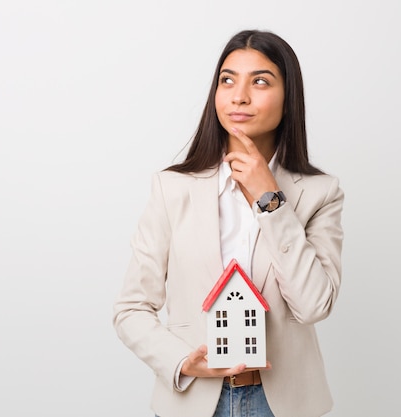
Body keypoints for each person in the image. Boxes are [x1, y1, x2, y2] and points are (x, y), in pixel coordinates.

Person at [113, 29, 344, 417]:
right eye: (227, 80)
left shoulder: (320, 192)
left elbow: (314, 305)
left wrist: (270, 199)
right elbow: (131, 308)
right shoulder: (173, 188)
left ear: (289, 99)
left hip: (283, 405)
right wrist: (183, 360)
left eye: (260, 81)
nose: (239, 96)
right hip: (192, 400)